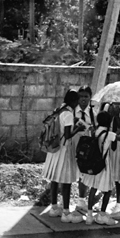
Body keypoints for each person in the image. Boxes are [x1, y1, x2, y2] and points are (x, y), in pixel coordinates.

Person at [42, 89, 86, 223]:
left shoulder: (59, 109)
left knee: (55, 179)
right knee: (66, 181)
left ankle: (54, 207)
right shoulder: (68, 114)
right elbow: (67, 135)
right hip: (64, 150)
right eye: (77, 100)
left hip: (55, 149)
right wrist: (78, 128)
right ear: (73, 101)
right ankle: (66, 212)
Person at [79, 111, 119, 225]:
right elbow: (114, 147)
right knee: (108, 190)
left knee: (93, 188)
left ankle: (89, 215)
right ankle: (102, 214)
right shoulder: (110, 134)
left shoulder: (95, 131)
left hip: (94, 163)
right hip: (104, 164)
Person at [74, 86, 96, 214]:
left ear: (90, 97)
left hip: (86, 149)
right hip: (72, 145)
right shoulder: (71, 111)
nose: (83, 99)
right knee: (69, 172)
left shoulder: (93, 113)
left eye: (86, 96)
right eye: (81, 96)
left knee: (84, 174)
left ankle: (81, 199)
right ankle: (62, 201)